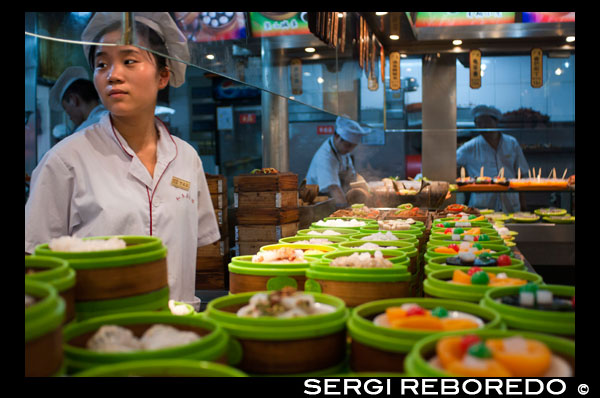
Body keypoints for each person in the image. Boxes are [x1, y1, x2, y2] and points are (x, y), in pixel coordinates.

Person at [25, 12, 220, 310]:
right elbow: (34, 261)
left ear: (163, 75)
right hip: (103, 335)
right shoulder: (65, 160)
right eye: (102, 64)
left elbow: (197, 245)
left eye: (129, 60)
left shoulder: (187, 159)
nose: (113, 74)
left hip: (179, 330)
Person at [456, 105, 530, 212]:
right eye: (479, 123)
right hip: (481, 206)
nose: (483, 126)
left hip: (510, 204)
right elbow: (450, 163)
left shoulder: (511, 143)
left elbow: (522, 175)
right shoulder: (469, 147)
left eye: (487, 121)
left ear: (496, 122)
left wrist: (524, 206)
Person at [305, 116, 372, 207]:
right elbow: (333, 188)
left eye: (353, 146)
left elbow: (352, 176)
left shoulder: (342, 151)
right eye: (348, 145)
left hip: (334, 199)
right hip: (318, 201)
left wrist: (365, 191)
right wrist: (347, 209)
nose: (350, 150)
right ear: (337, 136)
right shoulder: (326, 156)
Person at [49, 66, 107, 136]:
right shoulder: (112, 116)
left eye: (67, 111)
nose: (70, 118)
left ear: (73, 99)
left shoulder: (84, 131)